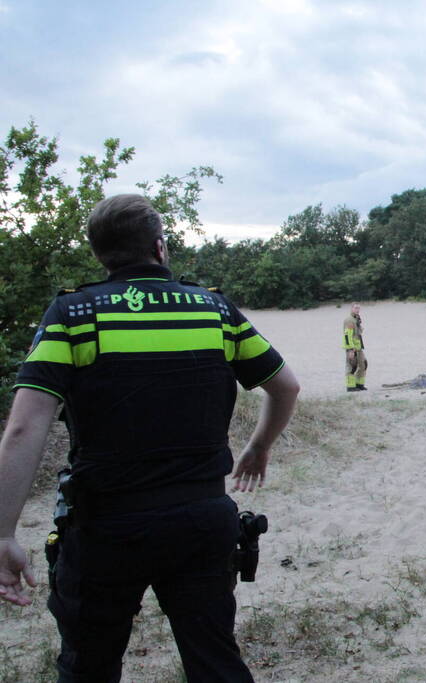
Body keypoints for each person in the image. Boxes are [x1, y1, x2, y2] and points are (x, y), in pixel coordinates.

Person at [0, 194, 300, 682]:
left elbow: (24, 426)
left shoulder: (74, 315)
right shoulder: (214, 311)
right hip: (201, 520)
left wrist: (3, 532)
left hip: (105, 527)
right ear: (160, 247)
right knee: (215, 660)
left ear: (99, 253)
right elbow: (285, 386)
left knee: (88, 665)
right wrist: (259, 446)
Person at [343, 302, 367, 392]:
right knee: (352, 366)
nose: (357, 310)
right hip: (352, 347)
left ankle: (359, 384)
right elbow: (347, 335)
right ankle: (350, 386)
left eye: (359, 308)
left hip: (359, 347)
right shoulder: (349, 320)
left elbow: (359, 332)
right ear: (351, 308)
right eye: (356, 308)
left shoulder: (356, 319)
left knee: (363, 364)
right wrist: (350, 349)